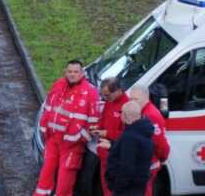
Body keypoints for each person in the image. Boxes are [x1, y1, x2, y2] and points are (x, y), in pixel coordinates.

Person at [34, 60, 100, 196]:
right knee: (45, 175)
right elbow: (48, 107)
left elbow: (94, 123)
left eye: (76, 72)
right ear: (65, 72)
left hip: (72, 145)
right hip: (53, 139)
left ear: (82, 73)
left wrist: (79, 138)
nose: (72, 74)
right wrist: (44, 130)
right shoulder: (58, 84)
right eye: (70, 71)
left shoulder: (90, 92)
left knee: (65, 182)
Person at [103, 102, 154, 196]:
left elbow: (127, 166)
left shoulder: (129, 137)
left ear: (126, 117)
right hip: (138, 186)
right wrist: (112, 145)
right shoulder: (143, 133)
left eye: (121, 113)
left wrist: (117, 187)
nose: (120, 115)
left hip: (126, 190)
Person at [129, 85, 170, 196]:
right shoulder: (141, 112)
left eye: (135, 99)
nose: (132, 102)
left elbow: (159, 144)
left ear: (146, 97)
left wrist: (161, 158)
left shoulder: (151, 115)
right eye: (130, 99)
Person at [94, 77, 130, 196]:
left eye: (107, 95)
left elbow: (127, 136)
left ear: (118, 90)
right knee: (105, 188)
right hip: (104, 154)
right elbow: (104, 119)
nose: (105, 98)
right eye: (103, 95)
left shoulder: (127, 107)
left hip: (115, 157)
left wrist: (107, 133)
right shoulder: (110, 102)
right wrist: (97, 128)